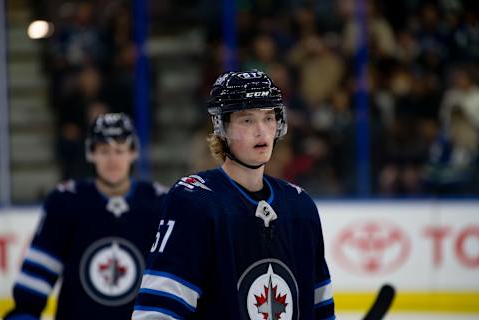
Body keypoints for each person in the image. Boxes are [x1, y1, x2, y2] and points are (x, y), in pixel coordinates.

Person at [133, 70, 335, 319]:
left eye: (269, 118)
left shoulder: (300, 206)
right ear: (221, 127)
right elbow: (157, 312)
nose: (261, 131)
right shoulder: (194, 201)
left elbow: (320, 309)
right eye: (247, 120)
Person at [4, 113, 167, 320]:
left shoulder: (160, 203)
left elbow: (174, 277)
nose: (112, 159)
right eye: (104, 151)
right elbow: (37, 277)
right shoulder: (65, 202)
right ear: (90, 153)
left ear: (133, 153)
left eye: (119, 150)